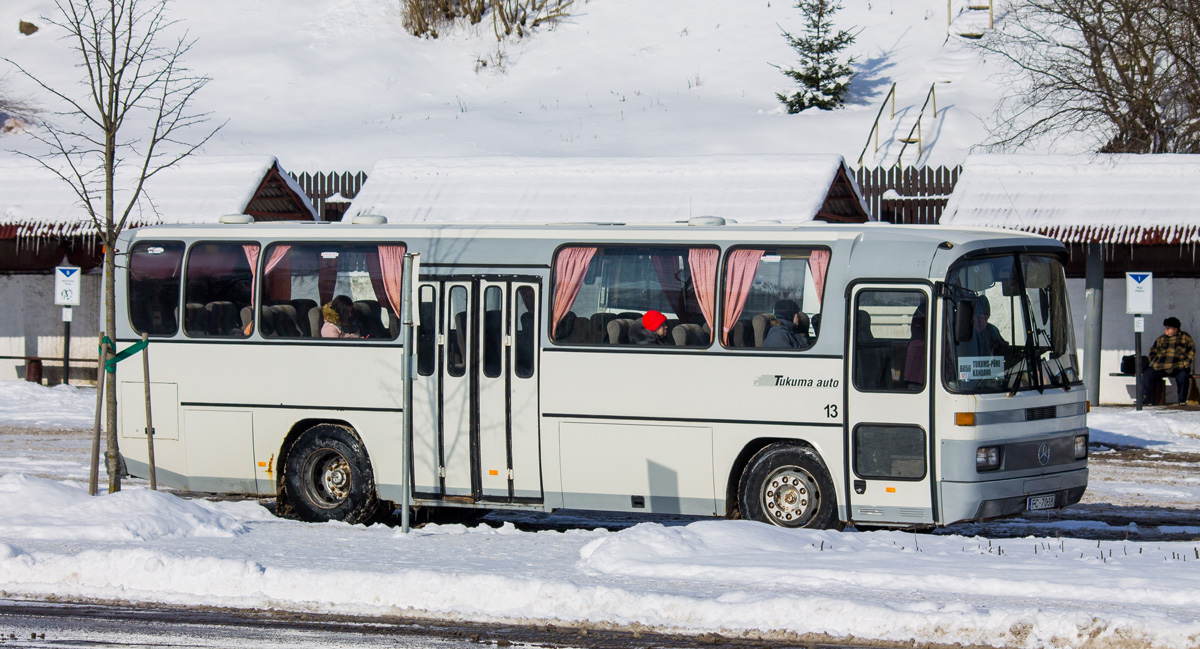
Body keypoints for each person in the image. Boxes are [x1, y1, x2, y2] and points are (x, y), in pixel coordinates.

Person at [1141, 316, 1194, 404]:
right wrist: (1154, 363)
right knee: (1147, 373)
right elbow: (1152, 352)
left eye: (1168, 328)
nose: (1166, 330)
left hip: (1178, 367)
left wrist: (1184, 364)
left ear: (1175, 329)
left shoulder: (1186, 338)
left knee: (1183, 376)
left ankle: (1182, 400)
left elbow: (1191, 354)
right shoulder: (1161, 339)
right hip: (1160, 367)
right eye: (1166, 328)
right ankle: (1144, 398)